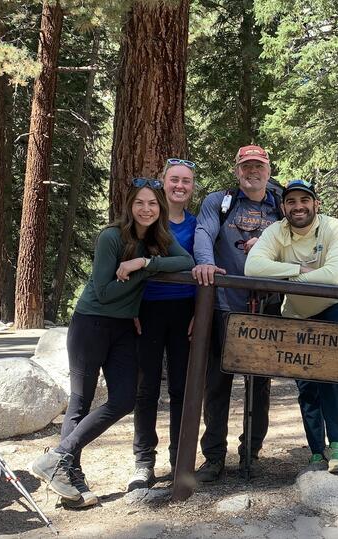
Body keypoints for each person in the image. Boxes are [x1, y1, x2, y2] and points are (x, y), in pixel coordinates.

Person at [29, 178, 195, 508]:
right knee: (80, 401)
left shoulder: (159, 238)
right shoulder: (111, 237)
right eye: (140, 203)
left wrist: (145, 264)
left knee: (123, 399)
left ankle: (57, 457)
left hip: (123, 329)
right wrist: (144, 273)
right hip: (91, 323)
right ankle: (70, 477)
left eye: (152, 203)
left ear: (159, 208)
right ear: (129, 206)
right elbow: (104, 292)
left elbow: (187, 263)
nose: (146, 209)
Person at [244, 179, 338, 473]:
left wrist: (285, 277)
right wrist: (298, 269)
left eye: (304, 200)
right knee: (305, 387)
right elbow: (252, 267)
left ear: (316, 204)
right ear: (283, 207)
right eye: (291, 201)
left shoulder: (335, 228)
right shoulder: (276, 231)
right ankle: (316, 452)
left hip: (332, 311)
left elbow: (332, 276)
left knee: (331, 380)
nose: (298, 206)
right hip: (295, 314)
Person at [192, 145, 281, 482]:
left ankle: (251, 454)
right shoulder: (220, 201)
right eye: (246, 166)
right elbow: (204, 232)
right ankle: (213, 457)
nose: (252, 172)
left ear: (268, 170)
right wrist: (205, 263)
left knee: (260, 385)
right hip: (224, 305)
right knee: (217, 384)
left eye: (258, 166)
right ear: (236, 170)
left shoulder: (280, 202)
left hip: (266, 307)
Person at [129, 158, 197, 490]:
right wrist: (130, 307)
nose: (179, 186)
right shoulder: (144, 219)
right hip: (147, 310)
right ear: (163, 183)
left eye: (186, 181)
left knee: (182, 388)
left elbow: (203, 269)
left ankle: (179, 459)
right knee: (146, 389)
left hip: (184, 310)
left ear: (192, 187)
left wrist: (201, 311)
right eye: (174, 180)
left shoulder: (197, 225)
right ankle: (143, 462)